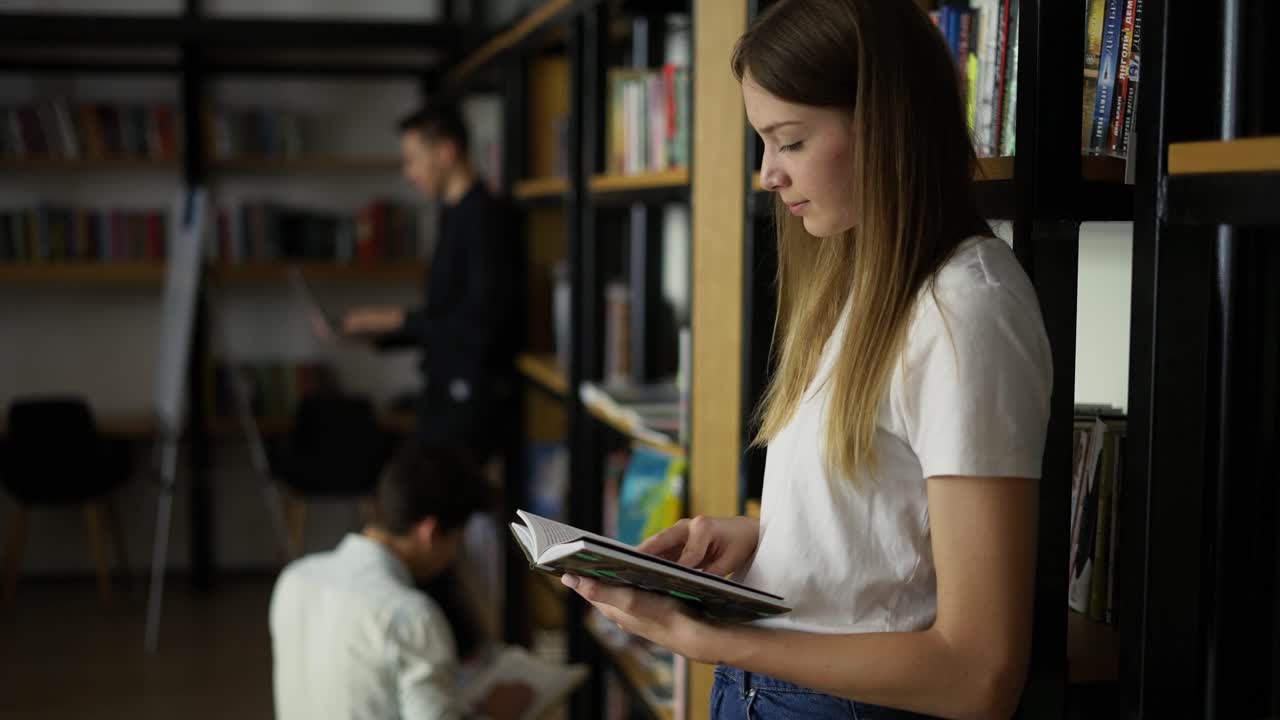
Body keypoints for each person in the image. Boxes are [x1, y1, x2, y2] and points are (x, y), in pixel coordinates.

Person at [560, 1, 1053, 718]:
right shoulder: (861, 284)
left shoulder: (965, 310)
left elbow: (979, 674)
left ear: (887, 129)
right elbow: (895, 534)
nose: (766, 174)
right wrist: (768, 543)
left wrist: (709, 638)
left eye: (788, 142)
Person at [269, 443, 532, 720]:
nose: (457, 554)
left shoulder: (295, 578)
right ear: (431, 532)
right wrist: (497, 714)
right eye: (459, 538)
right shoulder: (412, 616)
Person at [340, 103, 522, 463]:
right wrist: (378, 335)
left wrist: (395, 319)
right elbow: (446, 313)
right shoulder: (453, 215)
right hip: (444, 392)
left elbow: (480, 323)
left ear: (446, 152)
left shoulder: (484, 219)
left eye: (413, 158)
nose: (409, 172)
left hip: (469, 401)